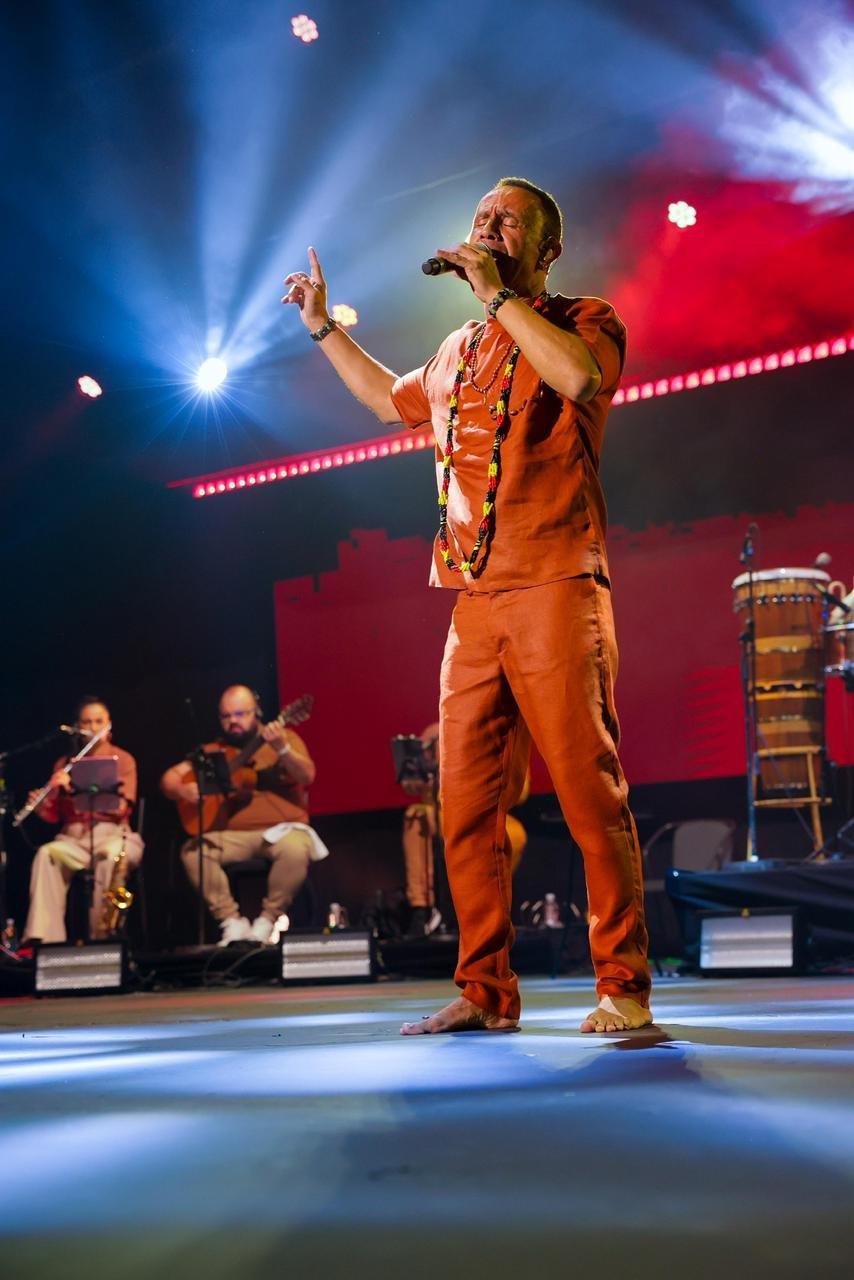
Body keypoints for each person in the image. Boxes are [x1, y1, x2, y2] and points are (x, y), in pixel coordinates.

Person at [283, 176, 651, 1033]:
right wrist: (323, 327)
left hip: (556, 582)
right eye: (481, 217)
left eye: (506, 222)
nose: (486, 228)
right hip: (473, 601)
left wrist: (498, 298)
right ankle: (485, 990)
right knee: (464, 803)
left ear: (546, 248)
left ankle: (622, 982)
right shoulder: (459, 349)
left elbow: (577, 378)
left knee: (588, 789)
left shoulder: (583, 319)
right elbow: (388, 400)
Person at [160, 684, 327, 945]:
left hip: (280, 831)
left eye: (240, 714)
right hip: (234, 835)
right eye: (226, 716)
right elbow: (169, 779)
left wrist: (282, 749)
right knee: (193, 852)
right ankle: (232, 922)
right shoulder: (214, 751)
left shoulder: (284, 737)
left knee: (296, 848)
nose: (233, 721)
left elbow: (307, 776)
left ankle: (267, 921)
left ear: (256, 712)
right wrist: (183, 789)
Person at [23, 697, 144, 944]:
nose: (93, 727)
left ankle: (102, 937)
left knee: (110, 857)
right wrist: (41, 805)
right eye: (87, 722)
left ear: (109, 725)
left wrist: (74, 788)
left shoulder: (123, 760)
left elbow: (120, 807)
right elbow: (54, 816)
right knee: (47, 855)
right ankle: (45, 940)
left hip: (112, 835)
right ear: (78, 727)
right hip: (73, 840)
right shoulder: (65, 763)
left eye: (99, 721)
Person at [399, 720, 530, 937]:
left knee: (513, 833)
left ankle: (492, 908)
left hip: (484, 811)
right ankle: (422, 909)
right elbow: (410, 783)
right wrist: (428, 781)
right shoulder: (432, 734)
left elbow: (520, 790)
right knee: (416, 816)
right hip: (442, 813)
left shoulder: (501, 732)